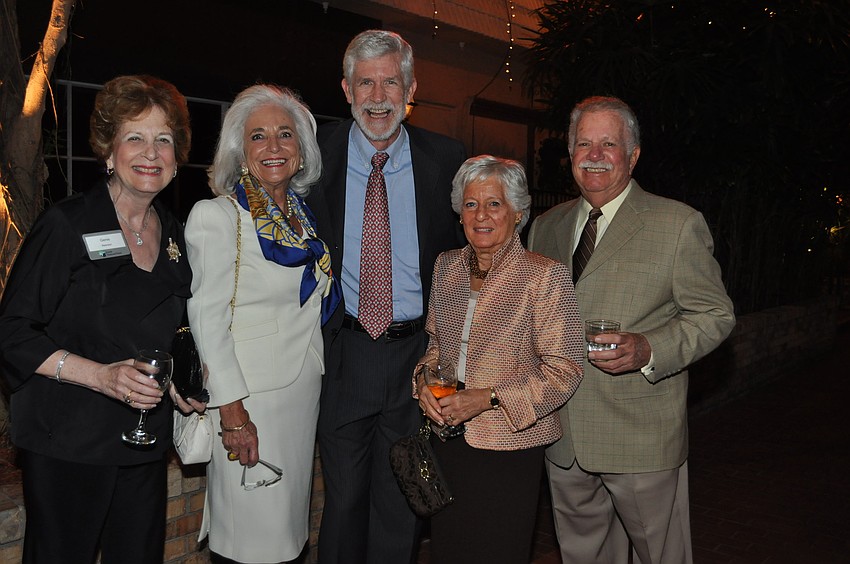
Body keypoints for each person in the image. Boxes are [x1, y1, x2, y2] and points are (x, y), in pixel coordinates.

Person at [527, 95, 736, 564]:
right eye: (584, 143)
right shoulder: (546, 226)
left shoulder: (677, 224)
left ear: (633, 155)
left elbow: (715, 315)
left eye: (609, 143)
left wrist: (650, 349)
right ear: (571, 153)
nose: (595, 154)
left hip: (640, 437)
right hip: (563, 436)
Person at [0, 74, 200, 563]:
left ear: (176, 160)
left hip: (141, 443)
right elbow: (11, 332)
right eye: (135, 137)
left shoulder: (173, 234)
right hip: (69, 440)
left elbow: (171, 327)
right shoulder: (67, 225)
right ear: (109, 152)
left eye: (164, 140)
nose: (150, 152)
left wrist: (179, 379)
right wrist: (100, 376)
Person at [305, 29, 467, 564]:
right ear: (346, 89)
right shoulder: (312, 158)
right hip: (344, 354)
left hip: (415, 358)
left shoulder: (447, 160)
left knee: (403, 502)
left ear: (411, 88)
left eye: (391, 82)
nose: (378, 97)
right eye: (366, 82)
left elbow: (474, 257)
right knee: (344, 502)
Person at [184, 83, 341, 564]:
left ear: (302, 150)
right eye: (258, 136)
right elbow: (207, 324)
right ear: (239, 149)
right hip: (249, 403)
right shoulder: (217, 217)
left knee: (288, 535)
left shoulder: (303, 219)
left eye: (285, 134)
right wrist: (232, 415)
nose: (273, 146)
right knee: (250, 540)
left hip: (299, 396)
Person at [414, 155, 584, 563]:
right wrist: (421, 383)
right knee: (450, 551)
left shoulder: (545, 276)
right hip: (448, 441)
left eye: (495, 204)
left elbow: (566, 370)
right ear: (459, 214)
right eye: (471, 204)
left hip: (509, 444)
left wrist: (488, 397)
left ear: (519, 212)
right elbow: (436, 345)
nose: (481, 215)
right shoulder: (446, 267)